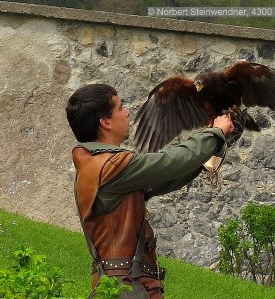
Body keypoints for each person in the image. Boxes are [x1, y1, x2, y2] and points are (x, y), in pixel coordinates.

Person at [66, 83, 234, 299]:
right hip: (125, 289)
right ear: (105, 122)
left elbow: (167, 176)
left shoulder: (98, 165)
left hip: (126, 285)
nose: (127, 112)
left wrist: (217, 145)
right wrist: (215, 133)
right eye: (120, 108)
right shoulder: (112, 167)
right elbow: (172, 162)